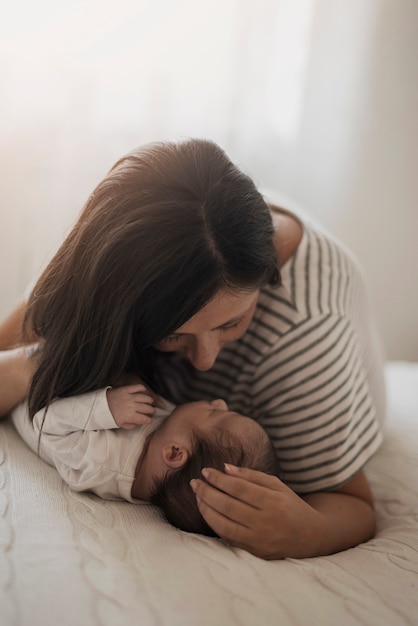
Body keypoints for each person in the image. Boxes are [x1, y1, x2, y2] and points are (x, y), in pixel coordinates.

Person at [0, 137, 386, 559]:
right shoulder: (132, 247)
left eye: (232, 322)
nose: (205, 362)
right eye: (172, 334)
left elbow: (352, 503)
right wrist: (29, 371)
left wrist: (308, 530)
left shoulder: (309, 335)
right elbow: (13, 348)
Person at [11, 379, 279, 536]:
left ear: (175, 454)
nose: (220, 402)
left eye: (215, 414)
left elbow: (43, 421)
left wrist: (106, 407)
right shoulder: (169, 437)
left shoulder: (101, 462)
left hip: (24, 392)